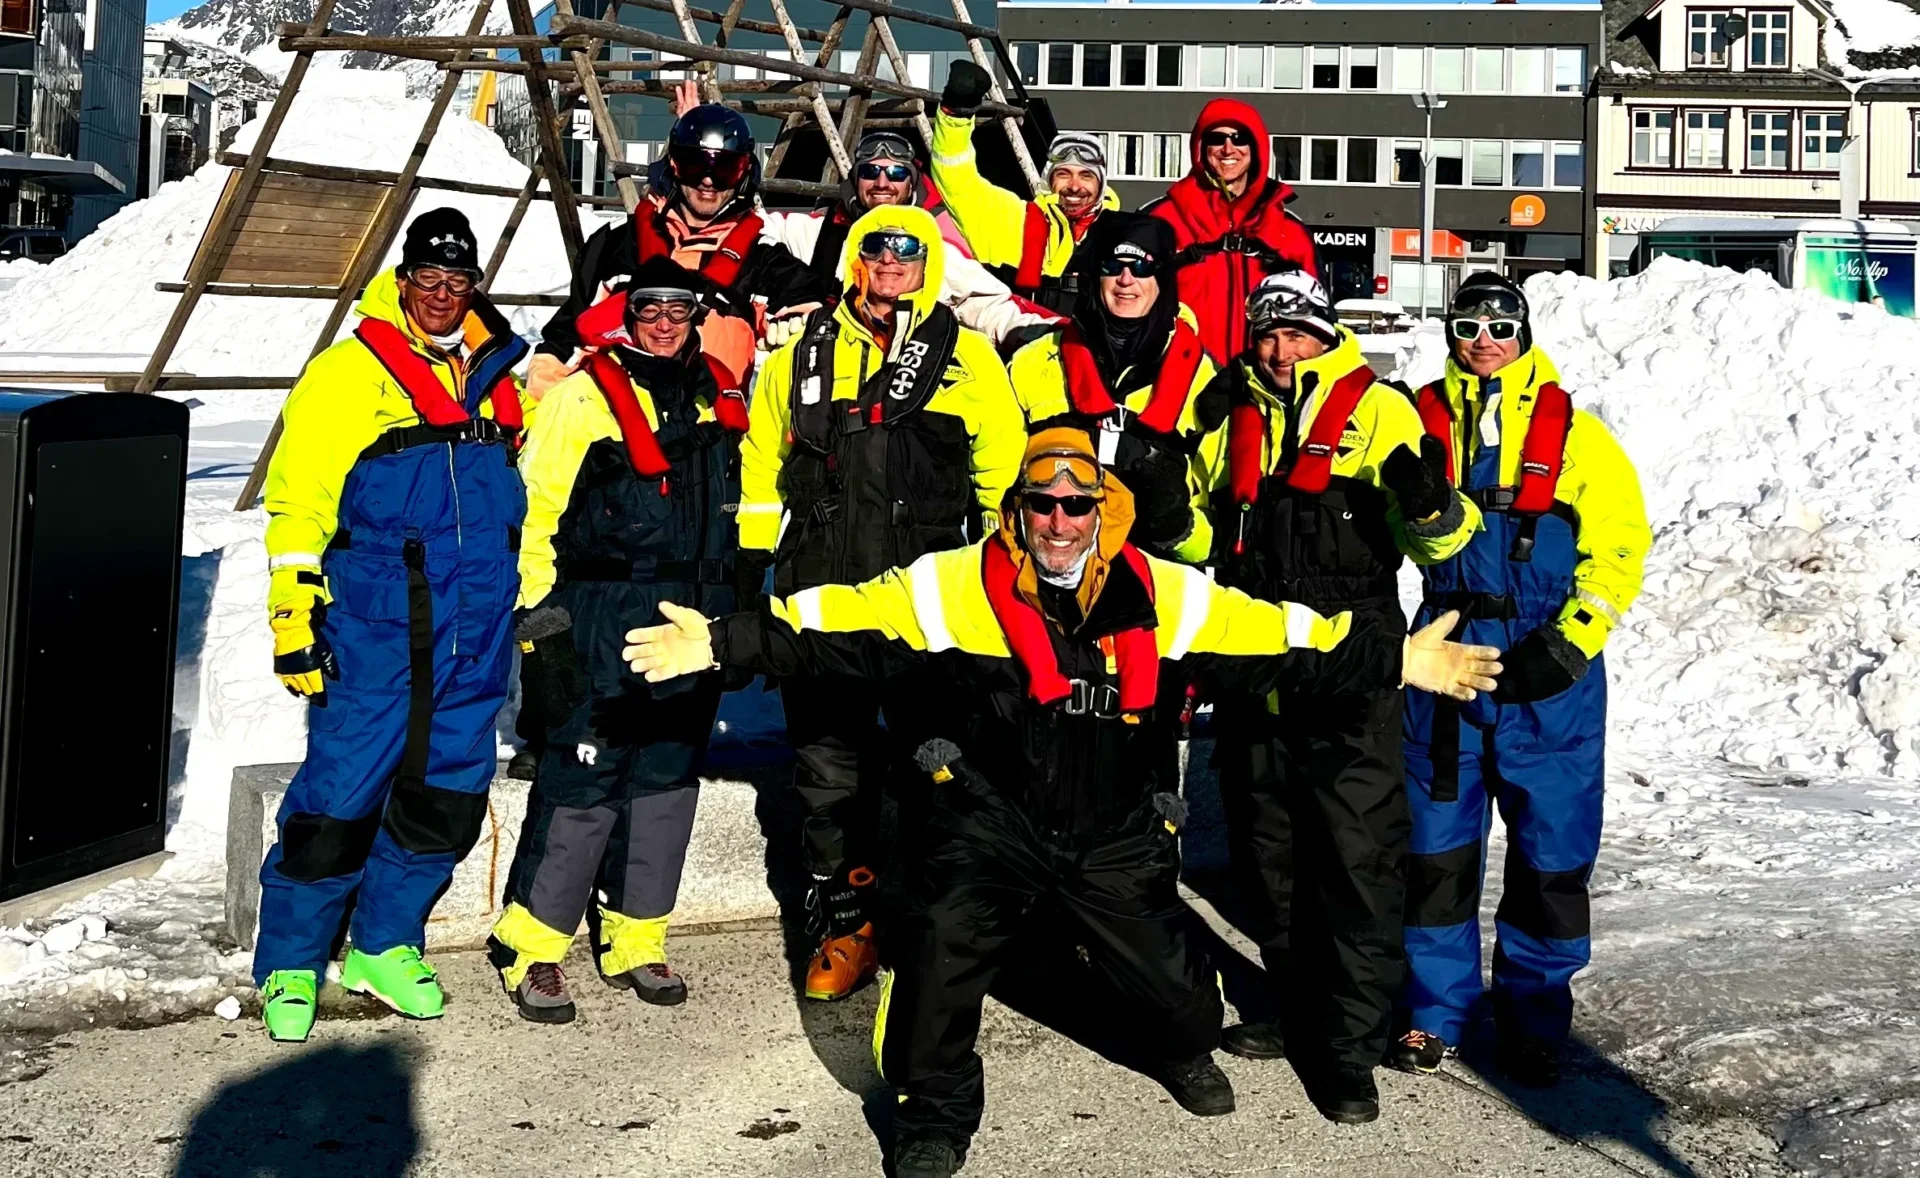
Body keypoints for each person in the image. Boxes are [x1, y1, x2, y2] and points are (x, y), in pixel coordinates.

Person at [622, 428, 1501, 1178]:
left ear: (1103, 512)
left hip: (1115, 830)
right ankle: (934, 1112)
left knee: (1185, 1009)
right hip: (988, 822)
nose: (1058, 521)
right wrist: (724, 639)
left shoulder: (1167, 593)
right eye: (1040, 503)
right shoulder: (950, 585)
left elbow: (1281, 636)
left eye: (1077, 505)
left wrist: (1393, 661)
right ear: (1017, 510)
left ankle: (1167, 1038)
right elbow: (834, 621)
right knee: (936, 953)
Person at [1190, 271, 1479, 1123]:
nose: (1282, 352)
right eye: (1268, 335)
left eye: (1298, 334)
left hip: (1354, 663)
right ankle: (1293, 1008)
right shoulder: (1231, 412)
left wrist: (1427, 500)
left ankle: (1349, 1047)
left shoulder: (1381, 409)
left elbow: (1446, 540)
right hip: (1259, 660)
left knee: (1356, 858)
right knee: (1269, 850)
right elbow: (1203, 531)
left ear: (1326, 335)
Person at [737, 203, 1025, 1003]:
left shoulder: (967, 358)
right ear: (853, 262)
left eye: (907, 251)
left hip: (928, 594)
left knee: (936, 765)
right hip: (821, 587)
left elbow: (1000, 477)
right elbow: (762, 469)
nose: (890, 264)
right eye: (875, 250)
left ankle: (936, 925)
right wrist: (749, 574)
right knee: (827, 770)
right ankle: (844, 925)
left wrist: (1010, 584)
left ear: (927, 264)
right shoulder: (797, 356)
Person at [255, 208, 528, 1043]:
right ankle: (292, 961)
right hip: (377, 623)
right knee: (340, 795)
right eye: (427, 279)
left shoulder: (498, 376)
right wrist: (292, 610)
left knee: (445, 793)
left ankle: (384, 943)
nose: (442, 295)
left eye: (458, 281)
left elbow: (523, 498)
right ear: (401, 280)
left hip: (474, 628)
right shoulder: (347, 373)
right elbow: (298, 497)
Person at [1390, 272, 1650, 1087]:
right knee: (1436, 851)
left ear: (1525, 331)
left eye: (1503, 325)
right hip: (1448, 654)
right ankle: (1436, 1015)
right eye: (1469, 325)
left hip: (1550, 669)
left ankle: (1536, 1019)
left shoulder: (1577, 434)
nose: (1486, 341)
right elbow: (1409, 541)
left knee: (1551, 855)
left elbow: (1620, 546)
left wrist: (1572, 642)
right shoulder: (1419, 422)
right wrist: (1426, 514)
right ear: (1451, 333)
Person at [487, 259, 748, 1023]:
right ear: (626, 316)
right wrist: (540, 628)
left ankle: (636, 935)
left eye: (677, 308)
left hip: (693, 615)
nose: (663, 322)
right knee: (584, 777)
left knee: (667, 776)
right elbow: (533, 514)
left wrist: (739, 621)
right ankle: (529, 943)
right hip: (601, 607)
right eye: (648, 309)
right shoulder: (579, 396)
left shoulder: (720, 396)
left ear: (696, 314)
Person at [526, 102, 830, 401]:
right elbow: (568, 336)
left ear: (743, 173)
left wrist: (797, 318)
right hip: (613, 423)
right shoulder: (618, 245)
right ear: (673, 164)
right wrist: (547, 405)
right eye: (695, 164)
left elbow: (804, 296)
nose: (708, 180)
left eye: (724, 168)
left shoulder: (759, 258)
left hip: (707, 425)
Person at [1006, 213, 1216, 564]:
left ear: (1163, 278)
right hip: (1046, 567)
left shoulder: (1204, 376)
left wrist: (1175, 524)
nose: (1126, 279)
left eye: (1142, 267)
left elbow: (1217, 537)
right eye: (1113, 265)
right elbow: (998, 481)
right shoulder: (1033, 361)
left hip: (1156, 574)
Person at [759, 128, 1059, 351]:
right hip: (818, 378)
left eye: (896, 173)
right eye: (870, 171)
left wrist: (1053, 336)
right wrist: (796, 292)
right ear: (855, 179)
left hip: (900, 381)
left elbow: (989, 307)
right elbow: (749, 232)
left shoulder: (934, 248)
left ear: (912, 184)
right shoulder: (817, 232)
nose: (882, 182)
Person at [929, 61, 1120, 317]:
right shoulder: (1009, 219)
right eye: (1063, 174)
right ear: (1048, 180)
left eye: (1086, 175)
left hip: (1090, 350)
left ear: (1101, 183)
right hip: (1018, 344)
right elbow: (955, 177)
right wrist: (956, 113)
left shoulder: (1121, 234)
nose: (1074, 186)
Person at [1146, 100, 1319, 366]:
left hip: (1264, 378)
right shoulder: (1160, 220)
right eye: (1217, 138)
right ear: (1201, 148)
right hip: (1178, 376)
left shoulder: (1290, 230)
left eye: (1240, 138)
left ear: (1256, 148)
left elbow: (1318, 317)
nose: (1229, 149)